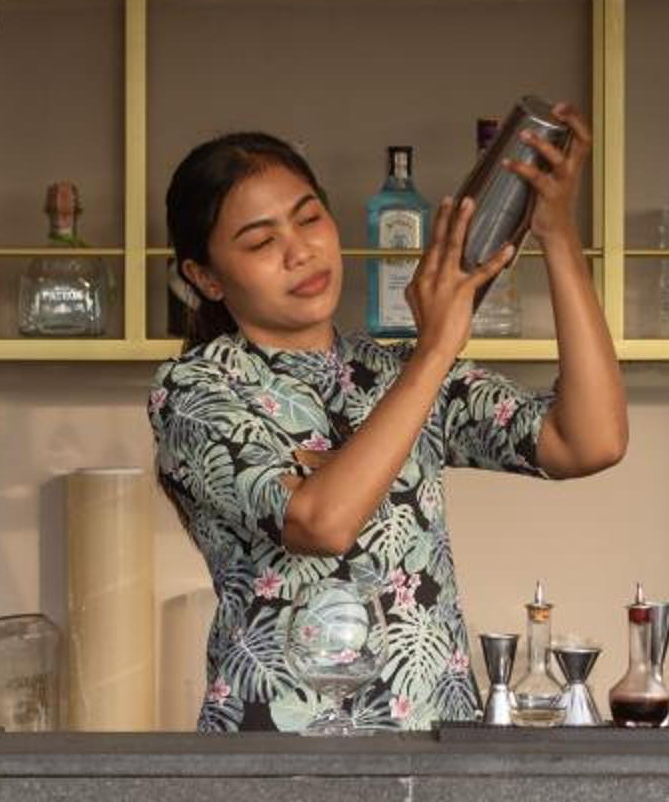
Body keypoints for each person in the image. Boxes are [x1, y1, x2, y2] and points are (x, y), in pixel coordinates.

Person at [147, 112, 627, 730]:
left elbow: (589, 441)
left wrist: (556, 235)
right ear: (205, 277)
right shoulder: (194, 390)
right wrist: (436, 349)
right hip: (279, 751)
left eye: (309, 218)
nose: (300, 252)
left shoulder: (394, 371)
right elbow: (320, 522)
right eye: (261, 242)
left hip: (433, 747)